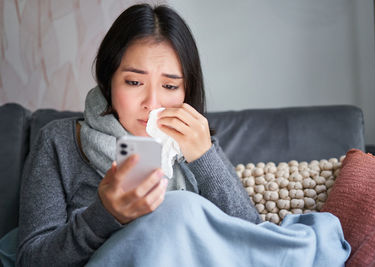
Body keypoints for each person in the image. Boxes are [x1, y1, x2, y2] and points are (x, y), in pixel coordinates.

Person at [16, 4, 262, 266]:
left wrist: (205, 157)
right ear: (108, 80)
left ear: (186, 91)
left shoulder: (196, 145)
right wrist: (104, 214)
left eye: (169, 86)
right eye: (134, 82)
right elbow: (31, 260)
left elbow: (255, 240)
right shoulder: (59, 141)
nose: (152, 103)